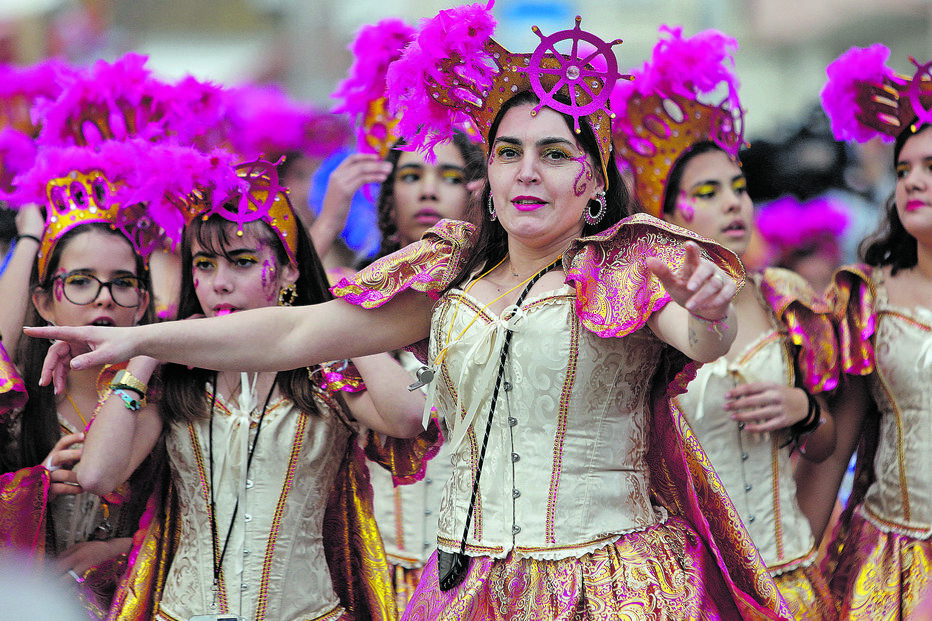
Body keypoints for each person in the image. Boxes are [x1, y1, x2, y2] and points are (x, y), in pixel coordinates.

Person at [30, 7, 789, 620]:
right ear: (489, 174)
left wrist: (709, 313)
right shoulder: (451, 273)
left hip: (606, 585)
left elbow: (700, 339)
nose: (527, 172)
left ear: (593, 181)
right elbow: (295, 329)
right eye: (509, 152)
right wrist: (139, 338)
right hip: (467, 583)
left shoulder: (626, 264)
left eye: (555, 154)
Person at [65, 160, 428, 621]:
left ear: (289, 271)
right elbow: (98, 475)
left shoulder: (324, 371)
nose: (220, 283)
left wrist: (343, 321)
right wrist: (147, 351)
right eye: (204, 264)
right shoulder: (175, 376)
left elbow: (407, 417)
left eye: (242, 262)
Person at [613, 26, 839, 619]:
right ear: (667, 211)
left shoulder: (785, 298)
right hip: (691, 591)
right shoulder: (642, 314)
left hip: (790, 578)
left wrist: (805, 410)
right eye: (709, 192)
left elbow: (827, 443)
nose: (735, 203)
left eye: (739, 188)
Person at [331, 17, 487, 613]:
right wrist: (327, 226)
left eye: (449, 176)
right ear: (388, 197)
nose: (427, 190)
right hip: (380, 576)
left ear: (476, 193)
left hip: (484, 574)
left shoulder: (502, 297)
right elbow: (404, 416)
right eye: (411, 175)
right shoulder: (352, 298)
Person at [793, 44, 932, 619]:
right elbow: (834, 450)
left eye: (931, 167)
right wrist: (786, 574)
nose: (913, 181)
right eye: (903, 169)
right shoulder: (865, 299)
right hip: (888, 566)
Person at [0, 156, 156, 590]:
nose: (104, 298)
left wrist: (121, 549)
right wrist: (34, 486)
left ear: (143, 306)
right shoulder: (17, 403)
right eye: (81, 281)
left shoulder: (164, 396)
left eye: (122, 283)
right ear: (44, 302)